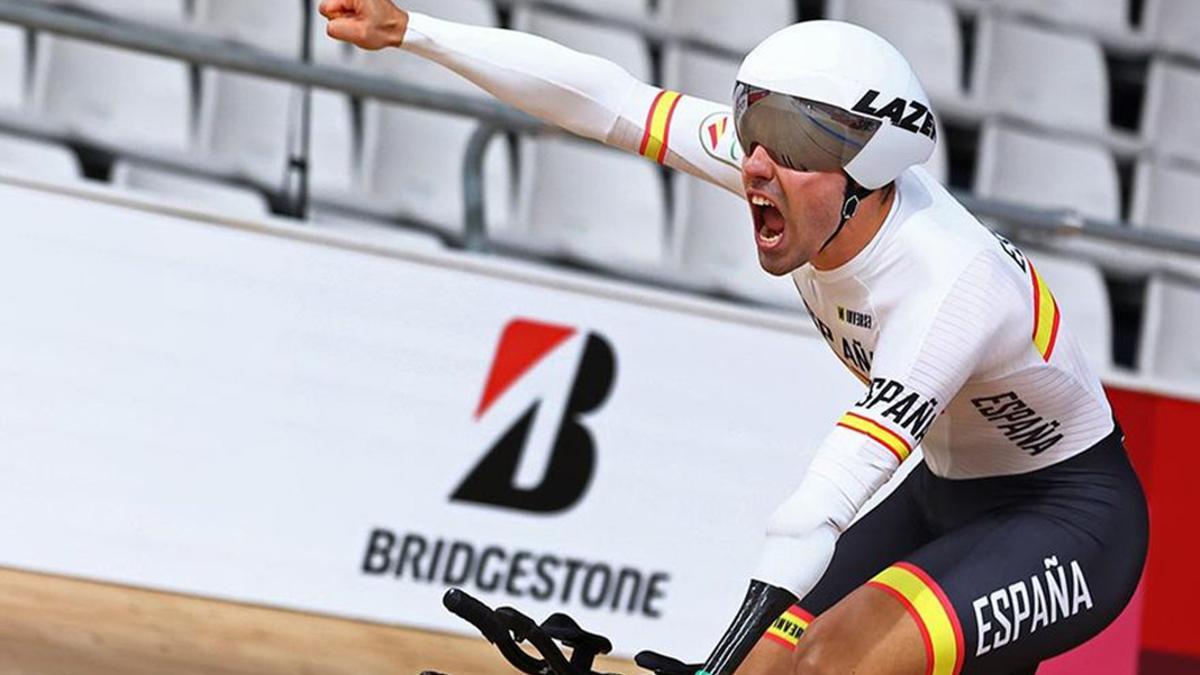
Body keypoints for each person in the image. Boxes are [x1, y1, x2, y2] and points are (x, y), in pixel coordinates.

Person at [318, 2, 1149, 674]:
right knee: (768, 667)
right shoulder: (791, 171)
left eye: (788, 141)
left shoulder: (949, 282)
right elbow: (609, 100)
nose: (754, 160)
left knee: (831, 666)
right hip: (946, 493)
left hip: (1068, 515)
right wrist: (416, 31)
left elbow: (828, 497)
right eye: (754, 122)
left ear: (864, 168)